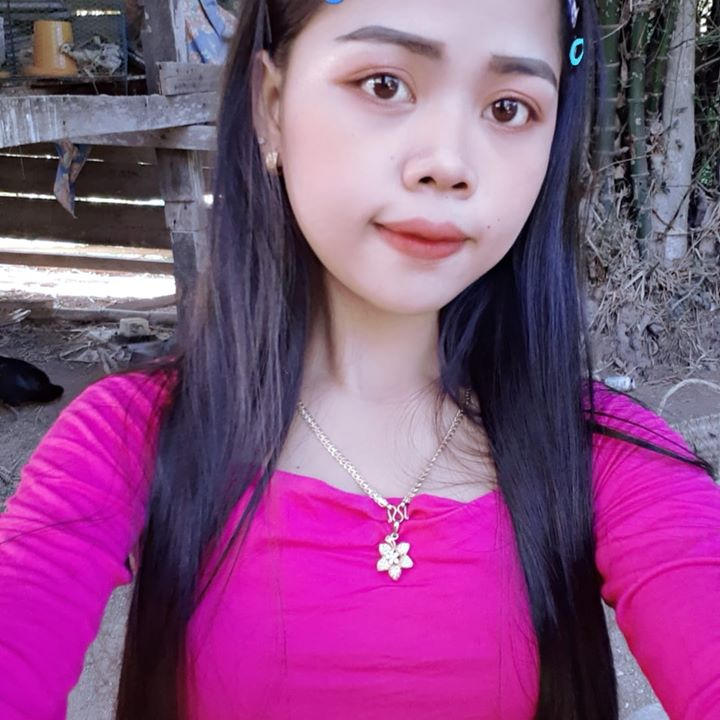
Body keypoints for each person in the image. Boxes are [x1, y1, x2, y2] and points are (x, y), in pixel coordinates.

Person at [1, 1, 718, 719]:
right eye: (384, 84)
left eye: (508, 108)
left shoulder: (610, 460)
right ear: (271, 106)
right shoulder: (124, 438)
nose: (448, 164)